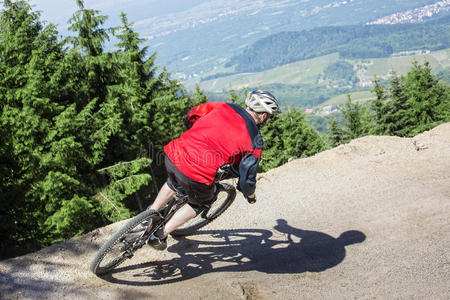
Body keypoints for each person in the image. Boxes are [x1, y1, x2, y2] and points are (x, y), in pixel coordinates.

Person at [147, 90, 281, 250]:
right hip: (196, 173)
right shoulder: (255, 140)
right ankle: (161, 234)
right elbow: (247, 180)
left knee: (173, 181)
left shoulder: (225, 106)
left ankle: (152, 212)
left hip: (175, 152)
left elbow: (192, 115)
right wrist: (250, 196)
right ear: (264, 115)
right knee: (202, 203)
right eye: (269, 116)